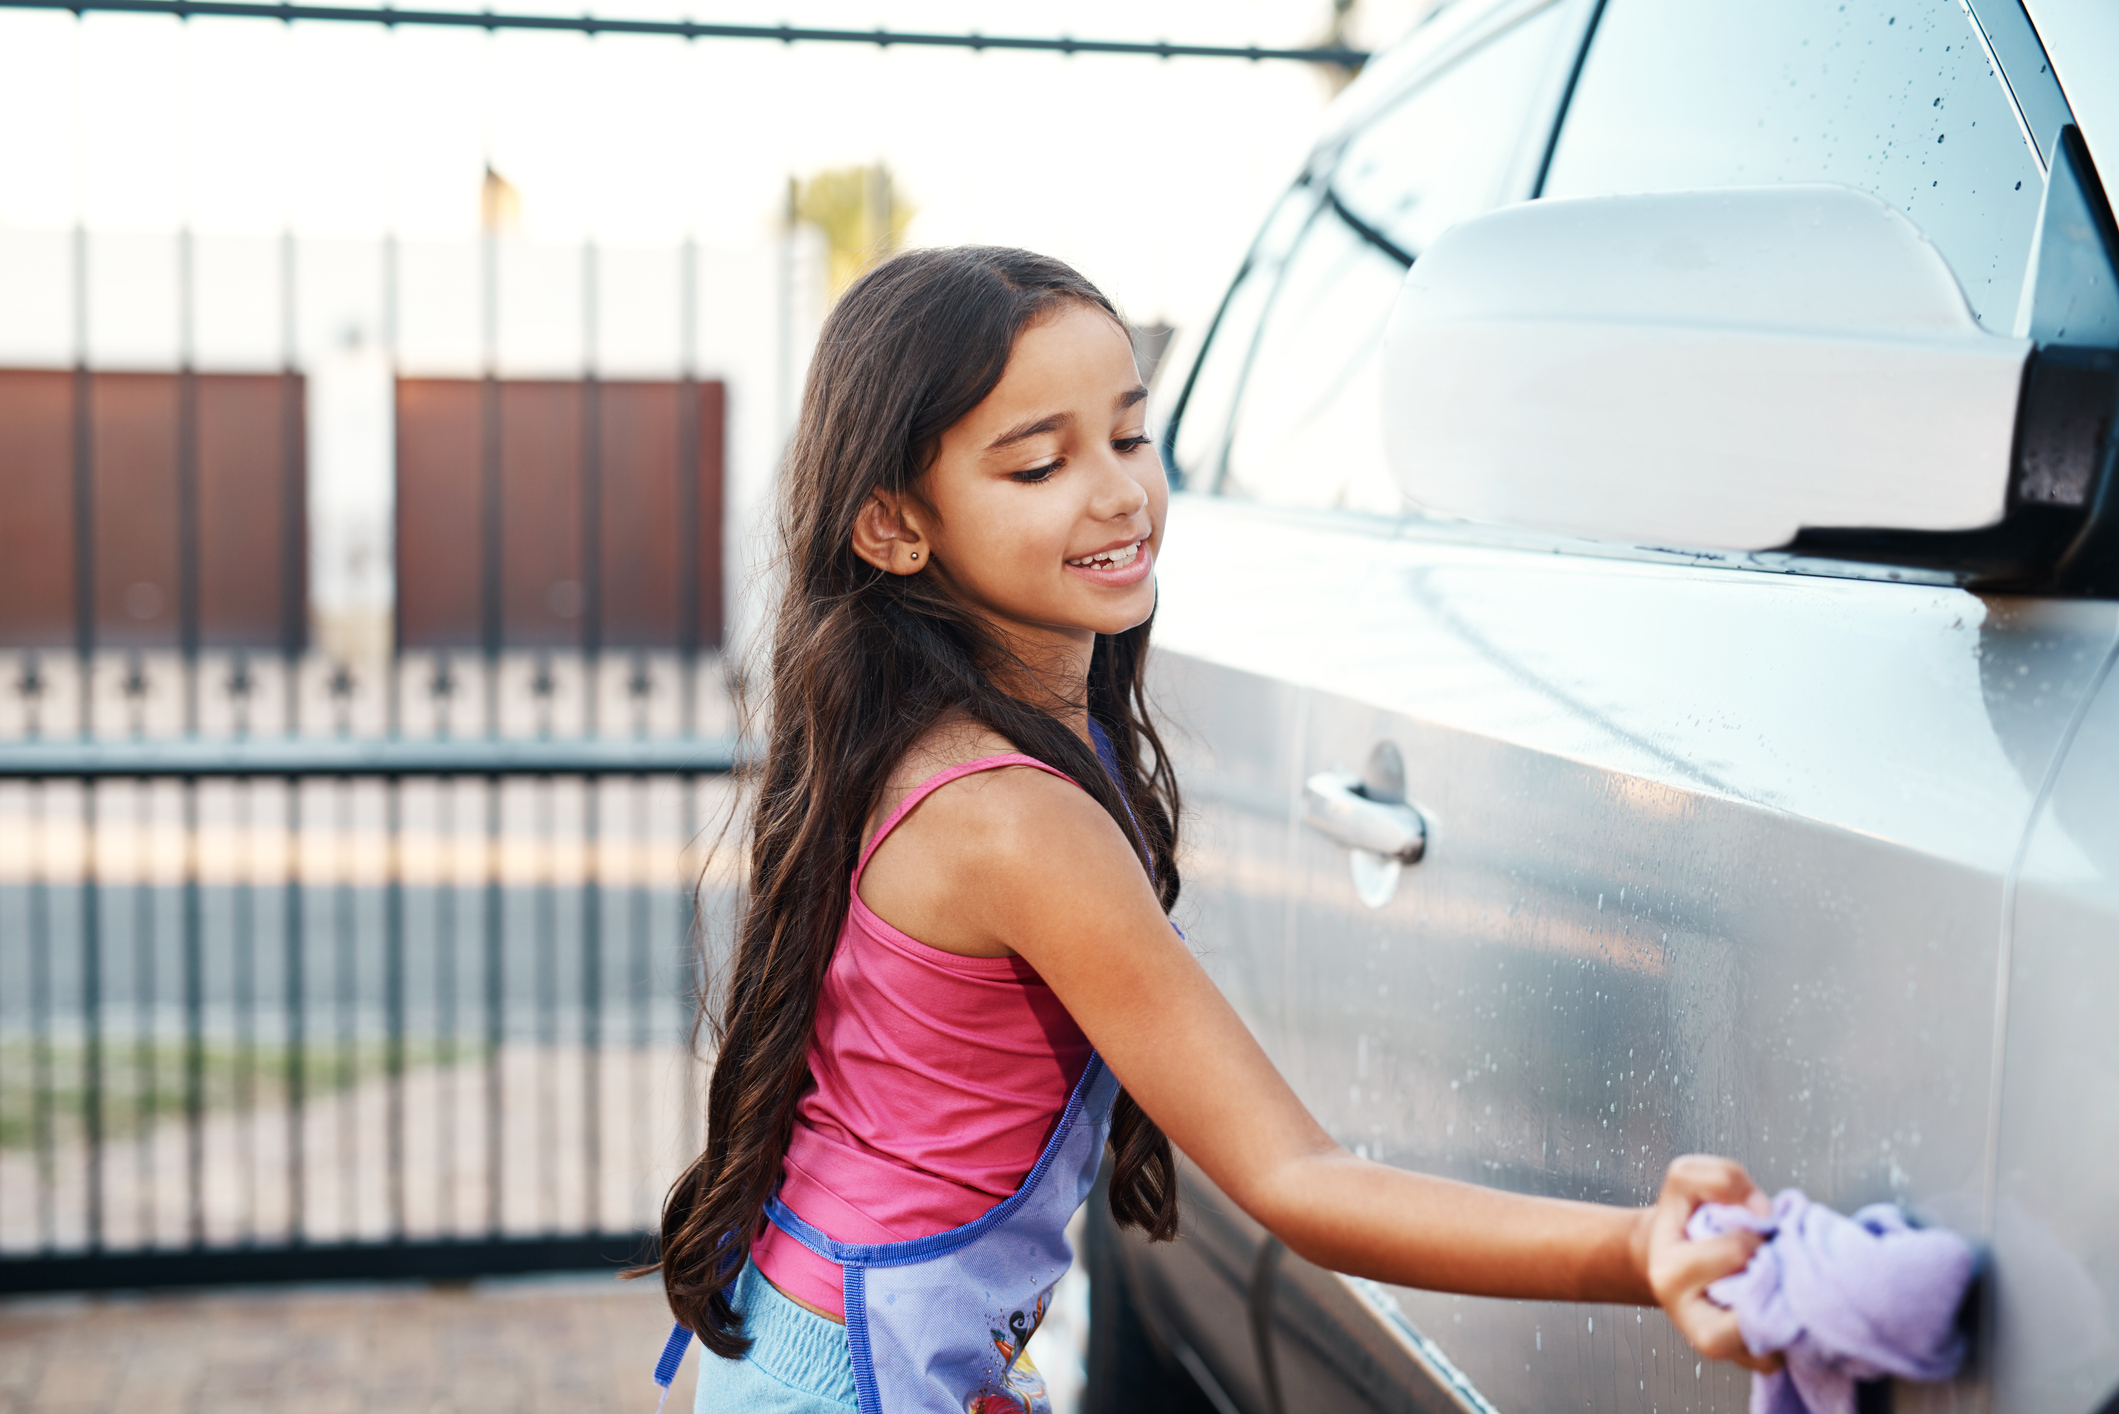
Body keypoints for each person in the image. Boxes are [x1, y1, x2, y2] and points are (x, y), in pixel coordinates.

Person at [654, 246, 1773, 1413]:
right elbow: (1294, 1176)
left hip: (818, 1335)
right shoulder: (1011, 820)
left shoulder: (943, 739)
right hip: (859, 1377)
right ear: (891, 526)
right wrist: (1641, 1248)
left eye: (1129, 436)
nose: (1117, 491)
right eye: (1039, 462)